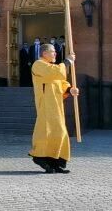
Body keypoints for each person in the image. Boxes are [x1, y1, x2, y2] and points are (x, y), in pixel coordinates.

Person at [29, 44, 78, 174]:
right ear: (44, 53)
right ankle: (40, 157)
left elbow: (61, 83)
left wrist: (70, 89)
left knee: (60, 132)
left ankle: (57, 162)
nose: (55, 54)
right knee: (46, 131)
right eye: (53, 51)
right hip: (45, 104)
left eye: (55, 52)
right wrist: (67, 61)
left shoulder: (53, 67)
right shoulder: (38, 64)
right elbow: (54, 72)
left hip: (56, 105)